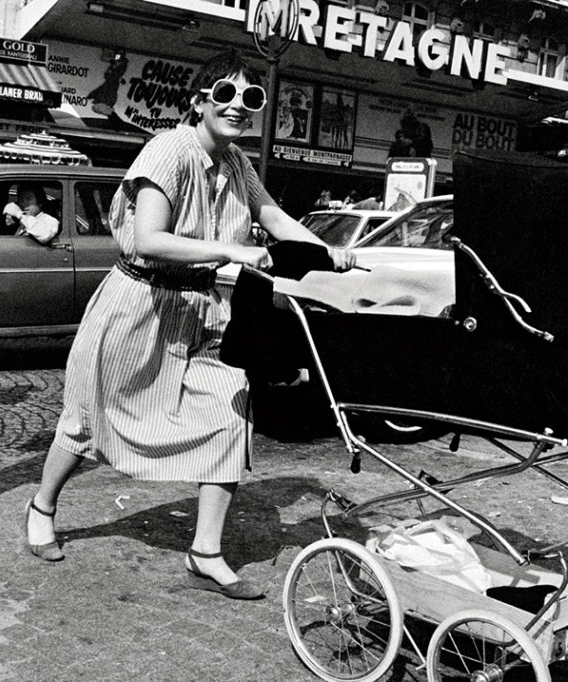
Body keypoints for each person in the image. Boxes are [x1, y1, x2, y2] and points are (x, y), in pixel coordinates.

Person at [24, 50, 356, 600]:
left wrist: (328, 251)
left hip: (199, 314)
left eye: (252, 98)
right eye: (225, 93)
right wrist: (234, 250)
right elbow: (151, 238)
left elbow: (272, 217)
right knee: (86, 420)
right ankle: (43, 506)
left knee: (230, 409)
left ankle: (205, 551)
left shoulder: (237, 164)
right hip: (137, 306)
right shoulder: (169, 150)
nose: (237, 107)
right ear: (200, 99)